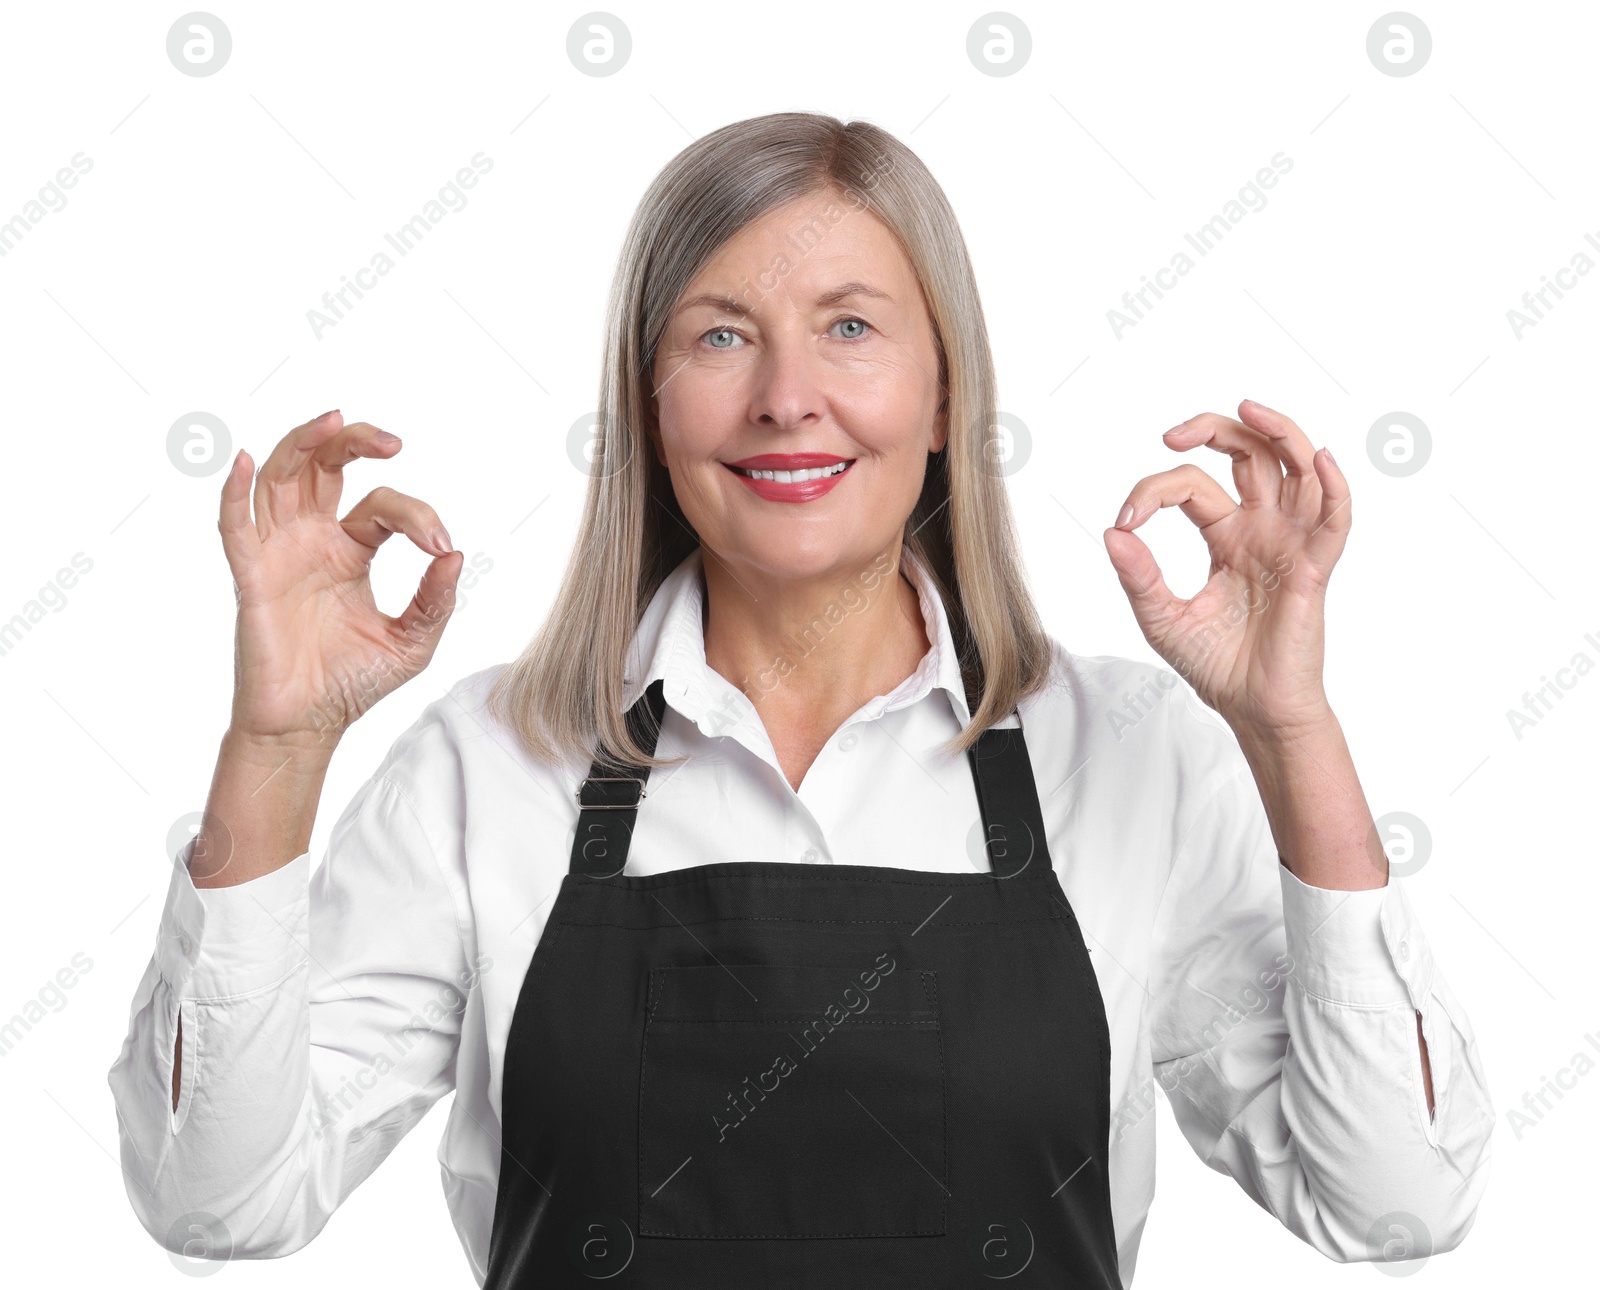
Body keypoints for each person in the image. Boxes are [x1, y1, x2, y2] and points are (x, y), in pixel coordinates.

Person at [108, 111, 1492, 1286]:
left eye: (848, 327)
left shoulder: (1128, 759)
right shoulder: (493, 764)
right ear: (648, 401)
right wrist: (276, 749)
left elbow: (1393, 1205)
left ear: (946, 393)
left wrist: (1288, 732)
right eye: (720, 337)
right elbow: (218, 1202)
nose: (787, 397)